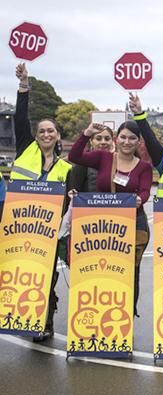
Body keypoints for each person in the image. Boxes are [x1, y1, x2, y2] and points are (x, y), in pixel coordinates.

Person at [12, 63, 72, 341]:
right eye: (42, 131)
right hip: (21, 228)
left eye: (51, 131)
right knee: (22, 274)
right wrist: (24, 87)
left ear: (58, 136)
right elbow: (20, 120)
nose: (46, 135)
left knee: (46, 278)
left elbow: (69, 202)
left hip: (49, 232)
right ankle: (21, 315)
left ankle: (45, 320)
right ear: (36, 136)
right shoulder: (26, 151)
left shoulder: (65, 169)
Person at [68, 120, 152, 317]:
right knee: (101, 269)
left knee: (130, 272)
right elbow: (74, 156)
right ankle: (99, 313)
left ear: (138, 141)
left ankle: (126, 316)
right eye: (123, 137)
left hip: (133, 224)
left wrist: (141, 199)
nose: (127, 141)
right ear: (117, 139)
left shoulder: (144, 167)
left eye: (132, 138)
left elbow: (146, 190)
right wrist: (86, 133)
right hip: (102, 224)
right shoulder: (103, 158)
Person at [68, 126, 114, 194]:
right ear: (91, 141)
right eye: (98, 139)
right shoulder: (81, 167)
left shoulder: (119, 163)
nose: (103, 142)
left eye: (107, 139)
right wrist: (86, 134)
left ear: (112, 141)